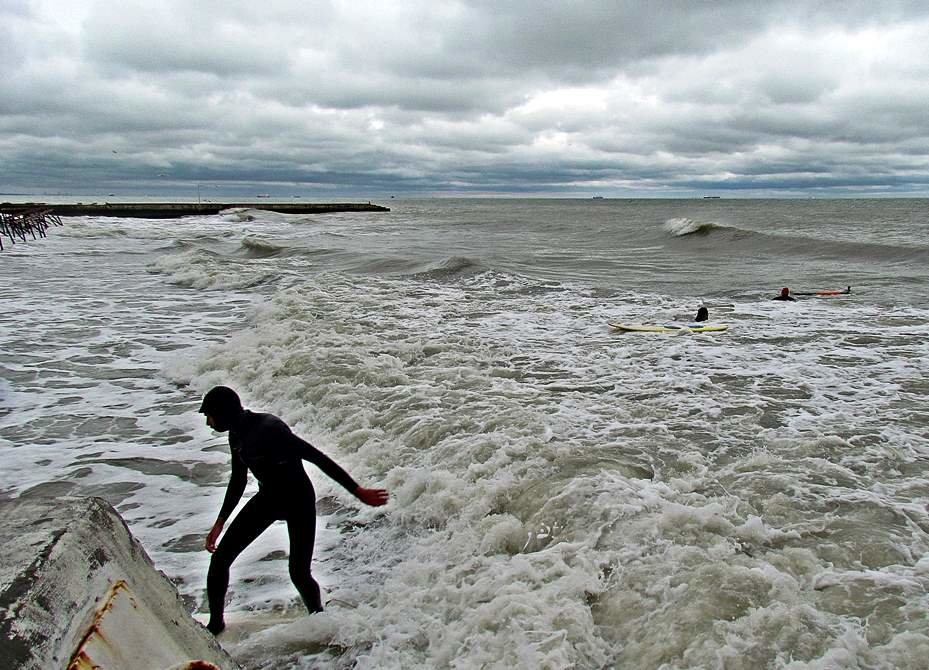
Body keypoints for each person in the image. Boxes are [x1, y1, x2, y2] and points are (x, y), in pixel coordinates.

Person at [199, 385, 388, 635]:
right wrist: (220, 522)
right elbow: (238, 481)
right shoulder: (236, 434)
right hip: (268, 499)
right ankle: (215, 625)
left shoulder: (269, 428)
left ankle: (319, 621)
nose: (208, 422)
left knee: (299, 573)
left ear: (223, 413)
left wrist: (357, 491)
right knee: (220, 560)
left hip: (298, 500)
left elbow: (316, 457)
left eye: (209, 415)